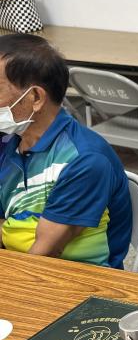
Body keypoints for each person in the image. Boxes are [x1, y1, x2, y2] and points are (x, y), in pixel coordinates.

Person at [0, 34, 131, 268]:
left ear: (35, 97)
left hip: (75, 278)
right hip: (19, 263)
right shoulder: (10, 142)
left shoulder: (84, 160)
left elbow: (46, 254)